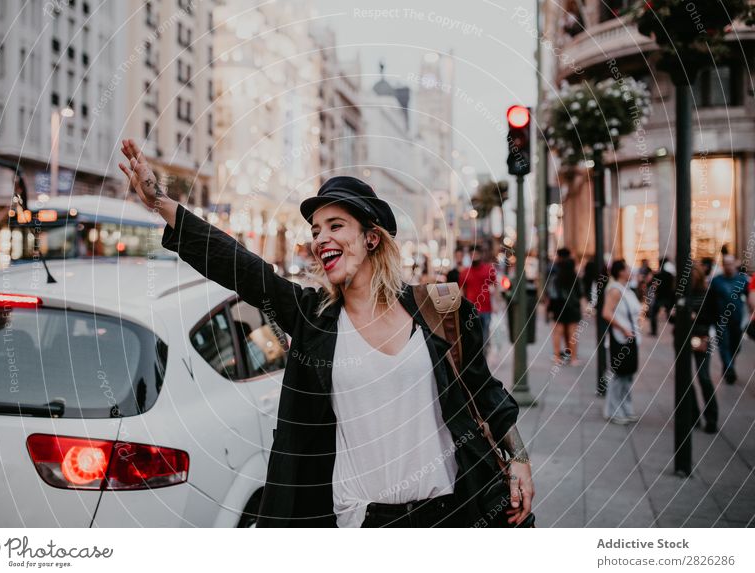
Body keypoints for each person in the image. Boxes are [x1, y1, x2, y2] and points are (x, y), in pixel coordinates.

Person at [118, 138, 534, 528]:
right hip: (363, 522)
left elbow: (484, 391)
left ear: (372, 238)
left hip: (449, 514)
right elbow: (242, 267)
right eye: (316, 230)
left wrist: (518, 458)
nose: (321, 239)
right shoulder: (313, 317)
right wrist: (160, 202)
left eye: (335, 225)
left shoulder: (436, 309)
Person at [602, 260, 642, 425]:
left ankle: (626, 408)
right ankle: (613, 410)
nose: (630, 270)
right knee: (618, 375)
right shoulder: (615, 290)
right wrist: (623, 328)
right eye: (627, 268)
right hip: (621, 338)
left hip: (631, 338)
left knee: (628, 375)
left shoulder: (628, 290)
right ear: (620, 272)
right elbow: (606, 313)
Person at [685, 263, 718, 434]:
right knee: (686, 378)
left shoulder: (708, 293)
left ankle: (711, 418)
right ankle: (693, 415)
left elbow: (715, 317)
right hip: (684, 339)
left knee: (704, 377)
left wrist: (696, 318)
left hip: (702, 337)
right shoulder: (682, 293)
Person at [708, 254, 750, 384]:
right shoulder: (716, 281)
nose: (729, 266)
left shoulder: (742, 280)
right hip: (721, 320)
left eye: (731, 264)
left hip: (737, 320)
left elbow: (750, 298)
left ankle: (728, 365)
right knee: (724, 344)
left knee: (736, 346)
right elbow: (710, 300)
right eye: (726, 264)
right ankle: (730, 368)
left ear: (735, 264)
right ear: (723, 265)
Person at [458, 243, 497, 354]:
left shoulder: (489, 270)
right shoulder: (464, 272)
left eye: (476, 253)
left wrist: (496, 304)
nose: (474, 256)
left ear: (481, 254)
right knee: (473, 339)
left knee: (484, 338)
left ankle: (483, 361)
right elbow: (461, 291)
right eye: (472, 254)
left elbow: (495, 287)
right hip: (471, 310)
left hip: (486, 309)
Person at [548, 257, 583, 365]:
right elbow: (580, 294)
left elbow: (551, 295)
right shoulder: (575, 278)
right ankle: (573, 359)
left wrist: (549, 309)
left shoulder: (555, 279)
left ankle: (557, 357)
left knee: (557, 333)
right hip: (573, 309)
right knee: (573, 335)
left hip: (558, 308)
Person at [649, 257, 675, 336]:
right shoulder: (670, 275)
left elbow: (653, 285)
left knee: (653, 313)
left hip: (660, 297)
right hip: (668, 297)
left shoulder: (658, 275)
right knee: (670, 313)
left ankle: (654, 331)